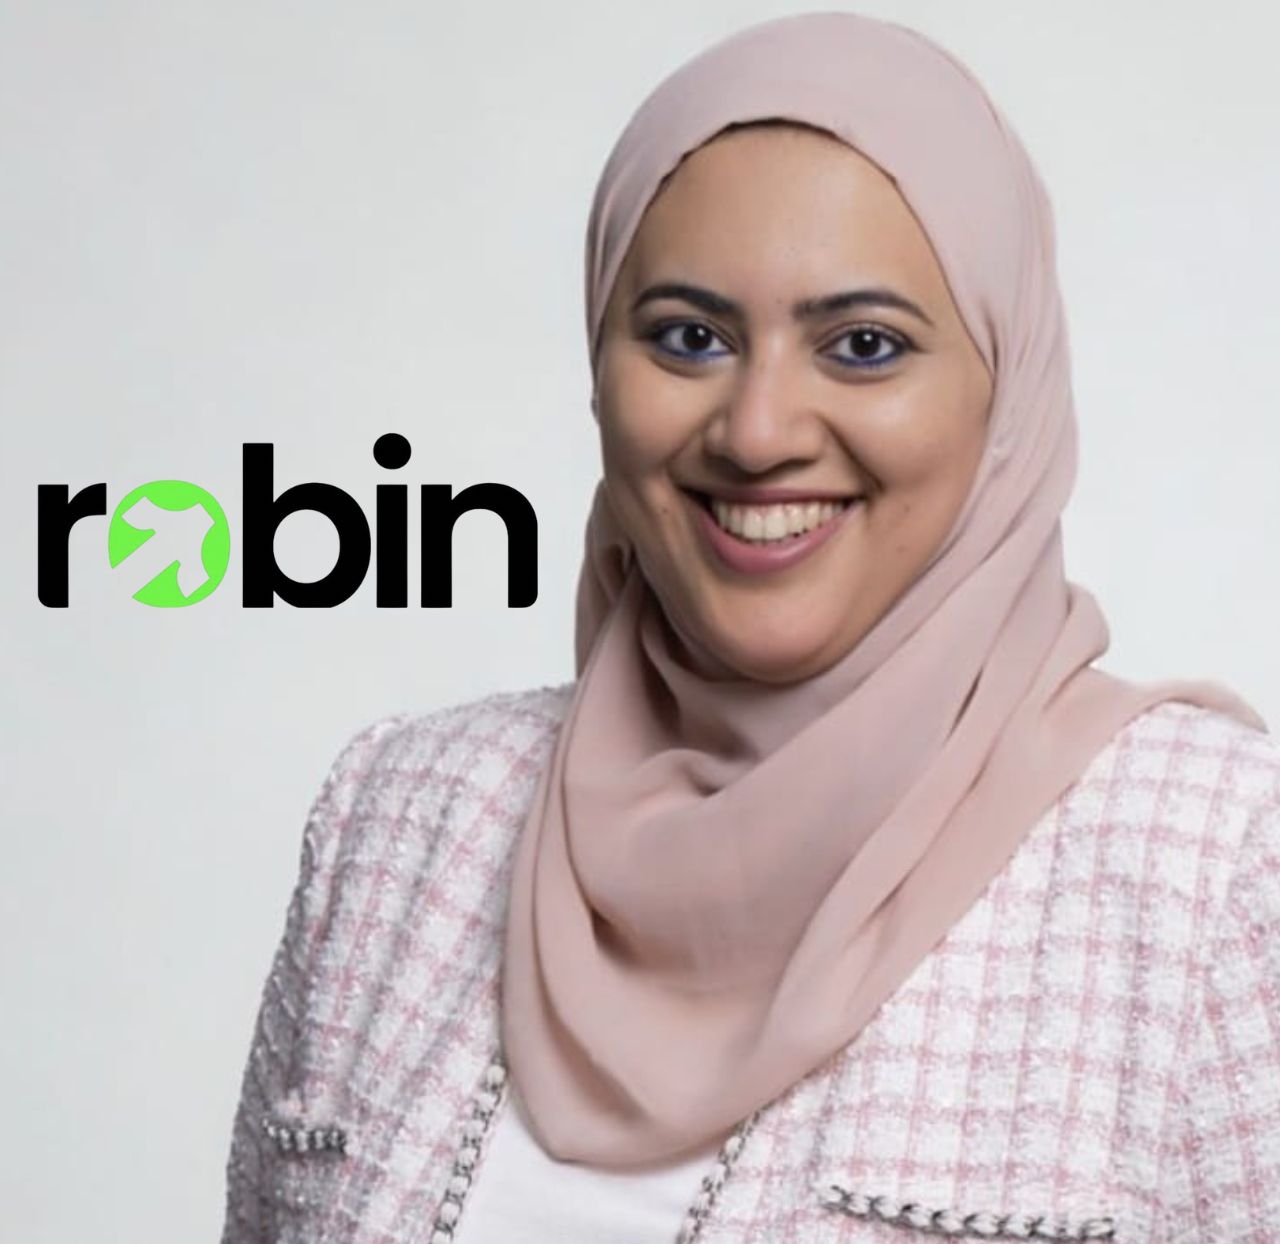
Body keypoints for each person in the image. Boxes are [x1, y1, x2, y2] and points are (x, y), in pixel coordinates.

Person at [219, 11, 1280, 1243]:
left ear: (1006, 386)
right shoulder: (400, 822)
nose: (757, 430)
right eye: (689, 337)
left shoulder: (1210, 873)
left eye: (863, 346)